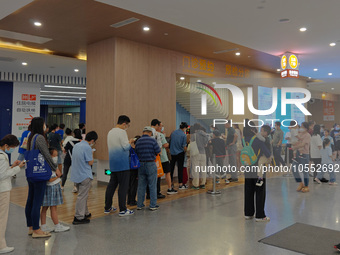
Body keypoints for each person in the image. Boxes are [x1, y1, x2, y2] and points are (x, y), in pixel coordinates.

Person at [25, 117, 56, 238]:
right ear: (40, 125)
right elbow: (46, 154)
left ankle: (31, 227)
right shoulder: (40, 137)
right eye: (43, 123)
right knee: (37, 201)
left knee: (30, 200)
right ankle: (37, 230)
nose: (45, 125)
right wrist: (55, 168)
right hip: (40, 174)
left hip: (31, 173)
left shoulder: (30, 137)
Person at [105, 115, 135, 217]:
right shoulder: (122, 132)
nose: (127, 127)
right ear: (124, 124)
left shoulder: (110, 132)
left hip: (113, 164)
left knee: (111, 186)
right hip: (123, 164)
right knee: (123, 187)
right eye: (128, 125)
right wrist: (130, 142)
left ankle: (107, 207)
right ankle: (123, 209)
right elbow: (126, 147)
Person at [0, 135, 25, 253]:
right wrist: (18, 168)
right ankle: (1, 246)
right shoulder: (1, 157)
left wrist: (12, 166)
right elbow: (2, 175)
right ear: (6, 146)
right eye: (12, 147)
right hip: (2, 190)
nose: (12, 149)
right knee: (2, 218)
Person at [243, 120, 271, 222]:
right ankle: (260, 215)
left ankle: (248, 213)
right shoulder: (257, 140)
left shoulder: (243, 139)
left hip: (247, 168)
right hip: (258, 169)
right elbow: (267, 153)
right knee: (260, 190)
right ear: (252, 129)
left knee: (248, 190)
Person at [71, 131, 98, 224]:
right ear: (92, 140)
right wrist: (92, 153)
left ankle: (85, 213)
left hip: (76, 174)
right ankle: (78, 217)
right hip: (84, 175)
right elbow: (90, 162)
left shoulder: (77, 145)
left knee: (83, 195)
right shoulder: (87, 147)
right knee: (82, 196)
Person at [40, 148, 69, 232]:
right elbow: (50, 179)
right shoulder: (50, 166)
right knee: (53, 208)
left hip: (49, 187)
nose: (56, 157)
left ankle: (43, 226)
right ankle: (57, 225)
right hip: (52, 187)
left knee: (45, 208)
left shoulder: (47, 164)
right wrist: (58, 176)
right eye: (54, 155)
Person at [135, 127, 161, 211]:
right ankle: (153, 205)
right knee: (152, 185)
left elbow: (136, 152)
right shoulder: (153, 141)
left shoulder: (138, 141)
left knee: (141, 185)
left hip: (141, 164)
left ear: (143, 132)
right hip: (151, 163)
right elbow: (158, 151)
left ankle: (139, 204)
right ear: (150, 133)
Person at [292, 122, 311, 193]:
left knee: (305, 171)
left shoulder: (307, 135)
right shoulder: (299, 134)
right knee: (294, 168)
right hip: (297, 154)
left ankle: (306, 186)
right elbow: (296, 141)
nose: (301, 128)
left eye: (302, 126)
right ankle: (300, 183)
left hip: (304, 155)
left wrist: (295, 147)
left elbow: (302, 144)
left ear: (306, 128)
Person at [158, 123, 177, 195]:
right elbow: (165, 144)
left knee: (158, 175)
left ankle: (157, 191)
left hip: (157, 158)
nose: (162, 127)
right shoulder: (161, 135)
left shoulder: (153, 134)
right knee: (168, 173)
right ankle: (169, 188)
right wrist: (166, 141)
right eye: (161, 126)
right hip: (163, 157)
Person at [149, 119, 165, 198]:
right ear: (156, 125)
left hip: (146, 157)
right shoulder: (156, 133)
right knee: (156, 176)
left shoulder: (146, 131)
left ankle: (148, 194)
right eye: (159, 126)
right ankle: (157, 193)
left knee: (148, 177)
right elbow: (159, 146)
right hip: (155, 157)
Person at [170, 122, 188, 189]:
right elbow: (184, 146)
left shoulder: (173, 133)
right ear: (184, 128)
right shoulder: (183, 135)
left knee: (171, 169)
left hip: (172, 153)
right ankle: (180, 184)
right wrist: (186, 151)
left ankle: (171, 183)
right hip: (180, 153)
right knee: (180, 169)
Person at [191, 123, 209, 189]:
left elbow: (191, 143)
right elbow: (206, 144)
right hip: (203, 153)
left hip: (196, 153)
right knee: (203, 169)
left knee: (195, 169)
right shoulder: (205, 135)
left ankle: (195, 184)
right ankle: (203, 183)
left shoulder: (194, 135)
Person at [127, 136, 141, 206]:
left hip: (128, 168)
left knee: (129, 185)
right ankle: (132, 201)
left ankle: (129, 200)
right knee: (134, 185)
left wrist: (130, 142)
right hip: (135, 169)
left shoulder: (129, 149)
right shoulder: (137, 150)